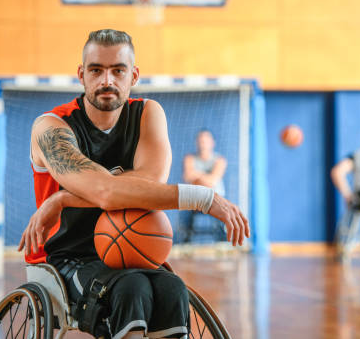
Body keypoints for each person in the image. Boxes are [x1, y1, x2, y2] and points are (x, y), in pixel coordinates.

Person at [17, 29, 250, 339]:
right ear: (81, 75)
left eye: (118, 70)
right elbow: (107, 193)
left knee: (172, 287)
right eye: (96, 70)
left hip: (134, 249)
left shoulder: (148, 114)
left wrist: (64, 199)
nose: (107, 81)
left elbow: (151, 184)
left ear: (134, 75)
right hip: (65, 256)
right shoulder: (51, 128)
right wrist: (204, 198)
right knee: (131, 287)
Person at [181, 130, 227, 243]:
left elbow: (213, 180)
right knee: (182, 210)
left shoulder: (220, 160)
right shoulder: (189, 158)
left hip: (216, 199)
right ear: (197, 142)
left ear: (212, 143)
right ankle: (184, 240)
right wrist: (207, 177)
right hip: (195, 200)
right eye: (201, 141)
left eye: (206, 141)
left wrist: (197, 177)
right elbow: (187, 176)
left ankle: (224, 241)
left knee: (224, 216)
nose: (203, 143)